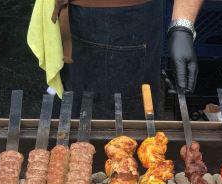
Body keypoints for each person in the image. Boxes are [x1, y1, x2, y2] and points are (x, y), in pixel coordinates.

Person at [54, 0, 204, 119]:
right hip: (74, 20)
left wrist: (182, 26)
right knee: (75, 116)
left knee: (130, 133)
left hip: (130, 20)